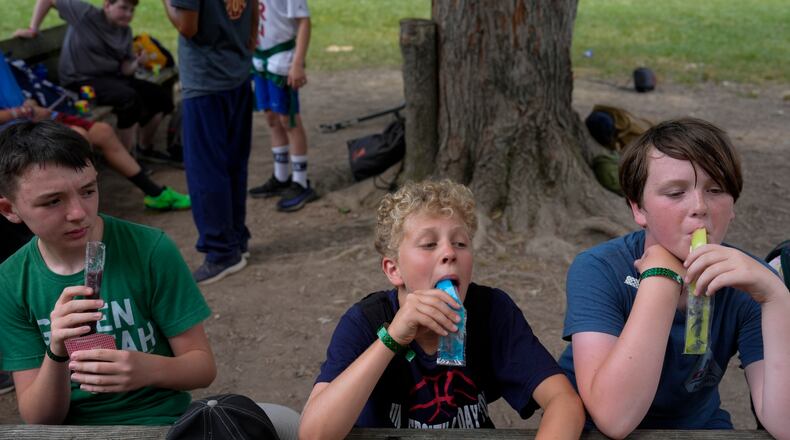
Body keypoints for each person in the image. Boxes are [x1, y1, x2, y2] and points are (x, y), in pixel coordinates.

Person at [558, 118, 790, 438]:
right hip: (593, 428)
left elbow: (785, 424)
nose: (699, 207)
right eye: (675, 192)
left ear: (733, 204)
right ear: (639, 208)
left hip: (698, 426)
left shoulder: (748, 283)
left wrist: (777, 298)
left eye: (716, 190)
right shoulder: (598, 269)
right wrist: (661, 277)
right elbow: (614, 417)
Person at [299, 180, 585, 439]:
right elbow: (314, 433)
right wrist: (392, 338)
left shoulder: (491, 311)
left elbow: (564, 401)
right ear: (394, 269)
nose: (449, 253)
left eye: (460, 243)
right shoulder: (365, 321)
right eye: (429, 244)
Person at [0, 121, 216, 425]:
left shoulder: (150, 250)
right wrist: (57, 350)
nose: (78, 213)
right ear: (10, 210)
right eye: (52, 201)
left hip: (160, 422)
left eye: (88, 190)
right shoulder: (10, 282)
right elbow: (40, 418)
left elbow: (202, 368)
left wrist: (146, 369)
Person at [0, 50, 190, 211]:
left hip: (26, 121)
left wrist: (29, 104)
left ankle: (154, 193)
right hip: (9, 133)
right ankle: (79, 211)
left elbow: (18, 94)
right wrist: (17, 112)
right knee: (77, 137)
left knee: (102, 131)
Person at [161, 0, 258, 285]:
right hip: (237, 75)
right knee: (232, 163)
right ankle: (236, 239)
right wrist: (243, 49)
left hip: (206, 82)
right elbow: (253, 15)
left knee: (206, 169)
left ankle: (221, 251)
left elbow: (187, 26)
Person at [14, 0, 178, 162]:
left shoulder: (125, 31)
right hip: (80, 80)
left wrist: (137, 62)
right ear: (107, 5)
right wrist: (33, 29)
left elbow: (125, 70)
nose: (128, 14)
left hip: (112, 78)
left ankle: (144, 148)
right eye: (123, 8)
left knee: (160, 96)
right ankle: (125, 157)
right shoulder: (86, 13)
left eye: (131, 10)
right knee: (129, 98)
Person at [248, 0, 317, 212]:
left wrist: (297, 63)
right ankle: (281, 176)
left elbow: (304, 22)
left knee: (289, 119)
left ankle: (301, 181)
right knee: (271, 117)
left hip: (282, 60)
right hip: (259, 59)